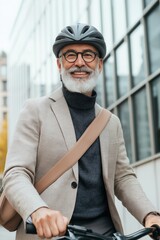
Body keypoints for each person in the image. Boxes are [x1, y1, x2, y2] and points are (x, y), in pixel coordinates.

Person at [2, 23, 160, 240]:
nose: (79, 62)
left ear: (100, 64)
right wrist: (38, 211)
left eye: (88, 54)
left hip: (105, 234)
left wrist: (150, 215)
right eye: (70, 55)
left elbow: (123, 177)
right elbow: (16, 173)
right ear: (59, 64)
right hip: (49, 234)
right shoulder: (35, 110)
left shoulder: (110, 122)